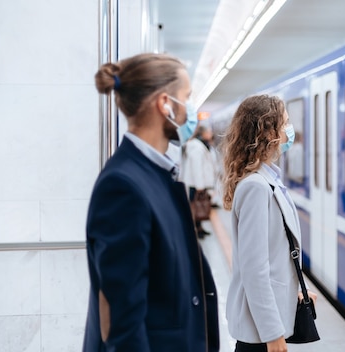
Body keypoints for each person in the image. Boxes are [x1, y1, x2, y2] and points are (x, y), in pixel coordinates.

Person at [83, 53, 219, 351]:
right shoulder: (123, 186)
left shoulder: (154, 174)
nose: (190, 109)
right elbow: (122, 321)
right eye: (186, 97)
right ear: (165, 104)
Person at [221, 95, 317, 352]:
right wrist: (273, 334)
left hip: (262, 325)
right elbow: (255, 269)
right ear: (268, 131)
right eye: (285, 122)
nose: (290, 129)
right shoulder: (256, 187)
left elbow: (275, 253)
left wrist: (292, 293)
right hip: (259, 333)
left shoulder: (266, 180)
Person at [180, 125, 220, 237]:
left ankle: (199, 228)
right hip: (195, 183)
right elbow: (196, 167)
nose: (211, 133)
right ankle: (194, 230)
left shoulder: (200, 145)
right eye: (209, 131)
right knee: (195, 206)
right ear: (203, 133)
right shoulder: (196, 147)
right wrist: (200, 186)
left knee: (197, 206)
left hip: (198, 183)